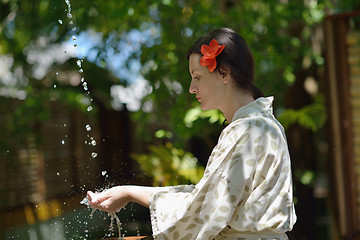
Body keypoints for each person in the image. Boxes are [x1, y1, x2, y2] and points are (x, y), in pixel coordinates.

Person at [87, 27, 297, 240]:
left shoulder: (248, 130)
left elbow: (203, 209)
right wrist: (129, 192)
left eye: (197, 77)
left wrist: (130, 193)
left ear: (224, 73)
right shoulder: (260, 125)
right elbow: (205, 197)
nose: (191, 88)